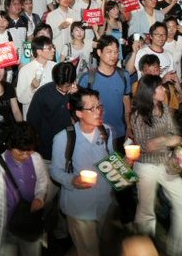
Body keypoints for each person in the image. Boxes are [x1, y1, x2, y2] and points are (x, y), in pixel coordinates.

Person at [131, 75, 182, 256]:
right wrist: (167, 139)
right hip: (146, 166)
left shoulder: (166, 109)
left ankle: (180, 248)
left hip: (168, 164)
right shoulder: (138, 115)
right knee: (146, 210)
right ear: (150, 92)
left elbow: (177, 135)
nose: (164, 90)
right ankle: (144, 248)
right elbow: (146, 145)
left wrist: (165, 140)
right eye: (160, 88)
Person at [50, 88, 115, 256]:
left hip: (104, 204)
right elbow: (55, 171)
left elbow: (111, 162)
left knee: (94, 247)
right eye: (92, 108)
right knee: (90, 251)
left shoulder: (106, 131)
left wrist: (125, 166)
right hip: (79, 208)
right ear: (78, 113)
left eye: (99, 106)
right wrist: (73, 181)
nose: (98, 111)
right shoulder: (63, 138)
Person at [0, 123, 50, 256]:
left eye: (29, 151)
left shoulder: (36, 159)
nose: (25, 156)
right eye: (20, 152)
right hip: (5, 229)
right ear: (10, 146)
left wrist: (39, 197)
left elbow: (42, 181)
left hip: (29, 226)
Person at [16, 35, 56, 116]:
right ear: (39, 52)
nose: (53, 50)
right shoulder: (25, 70)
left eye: (53, 47)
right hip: (33, 116)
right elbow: (21, 99)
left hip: (52, 114)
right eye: (49, 48)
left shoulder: (55, 67)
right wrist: (32, 87)